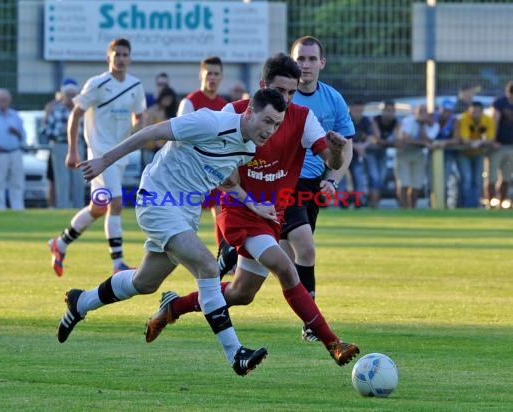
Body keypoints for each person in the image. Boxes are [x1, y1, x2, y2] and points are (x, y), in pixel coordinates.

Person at [144, 53, 359, 367]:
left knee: (241, 293)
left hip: (273, 213)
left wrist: (337, 153)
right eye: (280, 91)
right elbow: (210, 157)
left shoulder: (302, 118)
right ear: (262, 87)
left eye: (291, 93)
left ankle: (173, 307)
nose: (285, 100)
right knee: (285, 266)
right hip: (240, 210)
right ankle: (333, 343)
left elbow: (331, 161)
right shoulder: (236, 114)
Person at [57, 88, 287, 376]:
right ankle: (235, 353)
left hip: (185, 214)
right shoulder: (210, 122)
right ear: (250, 111)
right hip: (158, 198)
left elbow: (227, 182)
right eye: (267, 121)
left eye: (277, 124)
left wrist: (254, 206)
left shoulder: (248, 148)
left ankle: (81, 302)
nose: (271, 130)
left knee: (144, 283)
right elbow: (152, 132)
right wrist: (105, 160)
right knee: (207, 266)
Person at [48, 38, 146, 277]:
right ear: (108, 57)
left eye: (125, 55)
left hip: (119, 155)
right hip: (100, 155)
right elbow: (75, 114)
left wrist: (138, 130)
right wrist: (73, 149)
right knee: (116, 203)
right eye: (117, 54)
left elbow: (140, 115)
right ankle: (118, 263)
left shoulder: (135, 85)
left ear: (130, 58)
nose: (121, 59)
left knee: (98, 207)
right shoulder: (97, 83)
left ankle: (59, 244)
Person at [278, 36, 354, 341]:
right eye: (300, 58)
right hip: (283, 181)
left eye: (311, 59)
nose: (305, 65)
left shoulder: (333, 99)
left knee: (277, 263)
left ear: (321, 63)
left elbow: (346, 147)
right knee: (305, 248)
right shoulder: (283, 96)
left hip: (312, 184)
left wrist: (333, 179)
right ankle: (312, 324)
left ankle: (199, 295)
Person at [177, 56, 228, 248]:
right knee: (186, 213)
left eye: (216, 74)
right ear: (201, 75)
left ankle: (223, 258)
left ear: (222, 77)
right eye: (209, 74)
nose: (212, 78)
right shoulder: (189, 102)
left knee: (221, 211)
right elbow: (180, 136)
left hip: (214, 168)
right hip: (192, 169)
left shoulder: (225, 106)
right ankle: (181, 250)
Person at [43, 78, 86, 209]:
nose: (71, 98)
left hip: (78, 145)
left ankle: (79, 207)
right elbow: (45, 130)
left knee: (79, 179)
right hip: (60, 145)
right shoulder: (55, 110)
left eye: (73, 95)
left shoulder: (83, 111)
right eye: (68, 95)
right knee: (62, 180)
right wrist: (60, 131)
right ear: (63, 95)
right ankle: (63, 207)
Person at [395, 104, 439, 209]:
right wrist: (423, 143)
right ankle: (404, 209)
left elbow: (430, 140)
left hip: (419, 155)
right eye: (420, 111)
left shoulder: (433, 125)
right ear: (415, 112)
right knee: (404, 183)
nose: (422, 114)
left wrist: (422, 126)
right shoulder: (408, 121)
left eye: (425, 112)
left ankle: (413, 208)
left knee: (416, 185)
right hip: (404, 153)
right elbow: (404, 139)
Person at [338, 100, 378, 208]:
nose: (358, 112)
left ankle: (358, 201)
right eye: (356, 110)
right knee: (342, 178)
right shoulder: (345, 118)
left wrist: (363, 146)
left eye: (361, 110)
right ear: (351, 108)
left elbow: (371, 136)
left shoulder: (365, 120)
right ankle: (342, 202)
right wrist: (356, 146)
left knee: (358, 176)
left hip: (356, 156)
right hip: (343, 154)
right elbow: (342, 137)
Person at [456, 101, 495, 208]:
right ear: (469, 111)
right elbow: (464, 138)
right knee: (466, 179)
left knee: (477, 180)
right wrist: (473, 142)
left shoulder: (487, 120)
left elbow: (490, 138)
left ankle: (475, 206)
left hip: (478, 154)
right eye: (473, 112)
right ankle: (465, 206)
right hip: (464, 153)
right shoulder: (464, 119)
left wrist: (480, 142)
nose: (475, 114)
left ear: (482, 112)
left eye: (478, 112)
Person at [487, 81, 513, 208]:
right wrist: (492, 140)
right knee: (492, 176)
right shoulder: (500, 103)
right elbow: (494, 121)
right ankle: (490, 202)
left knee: (507, 176)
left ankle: (502, 203)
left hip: (511, 146)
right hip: (498, 146)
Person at [369, 100, 400, 207]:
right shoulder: (376, 120)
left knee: (381, 179)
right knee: (375, 178)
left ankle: (375, 205)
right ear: (383, 111)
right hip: (371, 153)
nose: (390, 113)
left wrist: (388, 142)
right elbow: (377, 139)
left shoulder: (396, 122)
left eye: (392, 110)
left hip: (382, 152)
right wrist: (391, 143)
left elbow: (397, 139)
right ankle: (373, 206)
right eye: (387, 110)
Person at [431, 99, 459, 207]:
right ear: (440, 109)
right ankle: (432, 204)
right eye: (445, 110)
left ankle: (444, 204)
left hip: (447, 154)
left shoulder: (453, 121)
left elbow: (457, 139)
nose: (447, 113)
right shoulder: (433, 118)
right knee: (431, 181)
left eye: (449, 111)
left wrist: (444, 142)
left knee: (445, 180)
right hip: (432, 154)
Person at [141, 86, 178, 168]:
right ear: (161, 97)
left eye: (170, 99)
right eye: (166, 98)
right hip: (150, 148)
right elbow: (148, 131)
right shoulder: (151, 111)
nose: (168, 101)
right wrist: (159, 145)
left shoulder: (171, 112)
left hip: (166, 149)